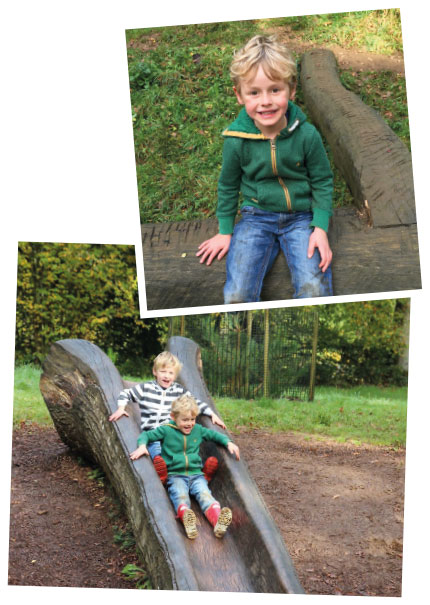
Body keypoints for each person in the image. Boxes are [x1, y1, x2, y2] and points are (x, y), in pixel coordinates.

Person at [196, 34, 333, 302]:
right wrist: (225, 231)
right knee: (237, 294)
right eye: (254, 93)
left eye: (275, 90)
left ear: (292, 91)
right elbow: (227, 185)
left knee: (314, 289)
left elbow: (322, 180)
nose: (265, 101)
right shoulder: (237, 141)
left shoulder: (307, 135)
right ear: (239, 95)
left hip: (301, 218)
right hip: (256, 217)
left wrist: (321, 227)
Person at [130, 395, 240, 540]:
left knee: (206, 496)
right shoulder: (166, 430)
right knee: (180, 496)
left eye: (192, 419)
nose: (190, 423)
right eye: (185, 420)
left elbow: (214, 435)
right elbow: (146, 435)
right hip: (175, 475)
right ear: (173, 417)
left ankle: (218, 521)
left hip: (197, 475)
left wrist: (228, 442)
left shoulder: (198, 430)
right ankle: (187, 520)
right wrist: (142, 446)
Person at [109, 351, 224, 483]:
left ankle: (199, 471)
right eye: (163, 371)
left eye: (171, 373)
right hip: (153, 433)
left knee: (184, 449)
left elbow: (195, 403)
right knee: (157, 451)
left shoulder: (178, 391)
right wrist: (121, 408)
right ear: (155, 371)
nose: (167, 376)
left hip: (172, 432)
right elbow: (126, 393)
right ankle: (164, 472)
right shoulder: (146, 388)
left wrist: (211, 413)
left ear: (175, 376)